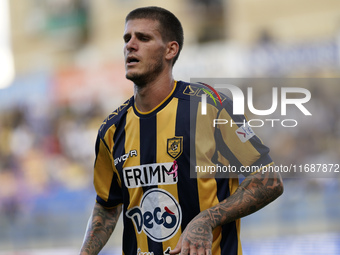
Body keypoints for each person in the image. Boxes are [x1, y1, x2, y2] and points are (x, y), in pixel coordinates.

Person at [79, 6, 283, 255]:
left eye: (143, 38)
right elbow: (107, 206)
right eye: (127, 38)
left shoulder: (210, 108)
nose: (130, 45)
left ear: (170, 49)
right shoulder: (112, 129)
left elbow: (269, 180)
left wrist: (206, 219)